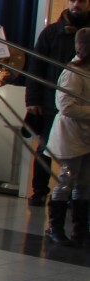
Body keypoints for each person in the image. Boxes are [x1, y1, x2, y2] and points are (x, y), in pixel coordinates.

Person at [27, 0, 89, 208]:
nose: (76, 4)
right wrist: (32, 99)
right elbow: (36, 66)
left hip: (81, 103)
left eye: (81, 1)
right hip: (50, 100)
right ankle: (39, 191)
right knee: (45, 148)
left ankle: (75, 198)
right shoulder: (52, 32)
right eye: (72, 0)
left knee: (81, 156)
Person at [45, 27, 90, 246]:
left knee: (84, 183)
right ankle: (55, 228)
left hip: (85, 136)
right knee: (66, 182)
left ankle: (80, 230)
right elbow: (66, 106)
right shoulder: (73, 72)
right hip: (70, 135)